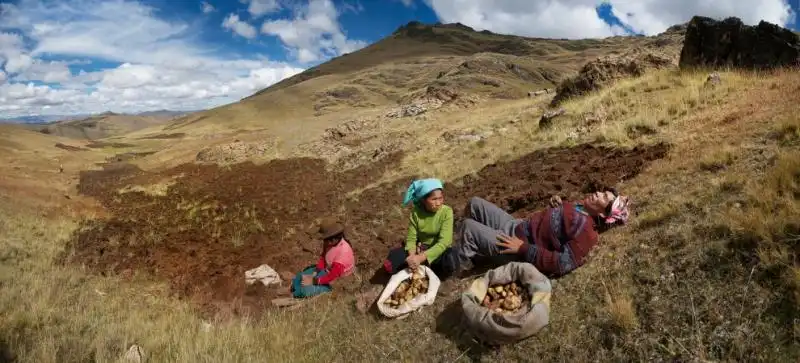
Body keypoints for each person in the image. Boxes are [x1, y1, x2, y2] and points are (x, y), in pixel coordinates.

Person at [451, 187, 630, 278]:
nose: (598, 193)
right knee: (475, 203)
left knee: (468, 228)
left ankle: (455, 270)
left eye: (604, 197)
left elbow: (562, 263)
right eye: (603, 192)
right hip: (517, 226)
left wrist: (523, 249)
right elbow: (558, 226)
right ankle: (473, 251)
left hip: (514, 247)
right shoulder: (581, 208)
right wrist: (556, 208)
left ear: (602, 214)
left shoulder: (587, 234)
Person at [382, 178, 457, 278]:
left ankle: (427, 266)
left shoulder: (446, 212)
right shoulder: (416, 213)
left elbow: (444, 242)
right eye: (434, 199)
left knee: (450, 261)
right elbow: (411, 238)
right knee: (391, 263)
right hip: (421, 247)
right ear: (423, 200)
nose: (438, 203)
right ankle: (420, 267)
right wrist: (412, 257)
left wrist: (421, 257)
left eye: (441, 198)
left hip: (437, 249)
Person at [291, 218, 356, 298]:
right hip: (326, 270)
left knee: (305, 290)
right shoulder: (329, 242)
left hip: (334, 280)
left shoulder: (343, 252)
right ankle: (293, 288)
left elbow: (333, 276)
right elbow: (323, 257)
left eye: (326, 240)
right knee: (300, 276)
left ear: (334, 239)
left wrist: (314, 281)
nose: (324, 242)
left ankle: (294, 294)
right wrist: (315, 273)